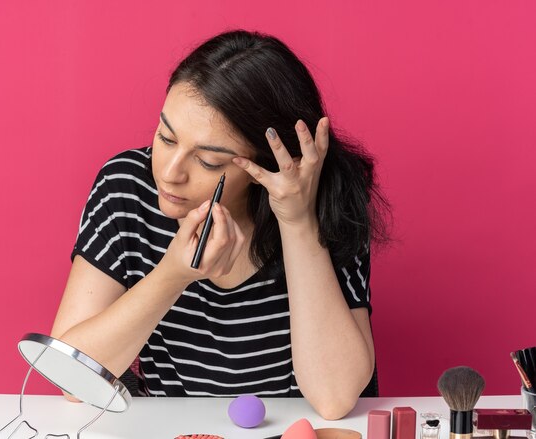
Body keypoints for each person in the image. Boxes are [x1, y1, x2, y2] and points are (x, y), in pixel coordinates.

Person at [50, 29, 390, 420]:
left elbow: (335, 398)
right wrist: (172, 276)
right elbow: (71, 378)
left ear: (267, 162)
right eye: (165, 137)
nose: (170, 173)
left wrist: (297, 221)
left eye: (209, 161)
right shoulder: (126, 188)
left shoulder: (326, 197)